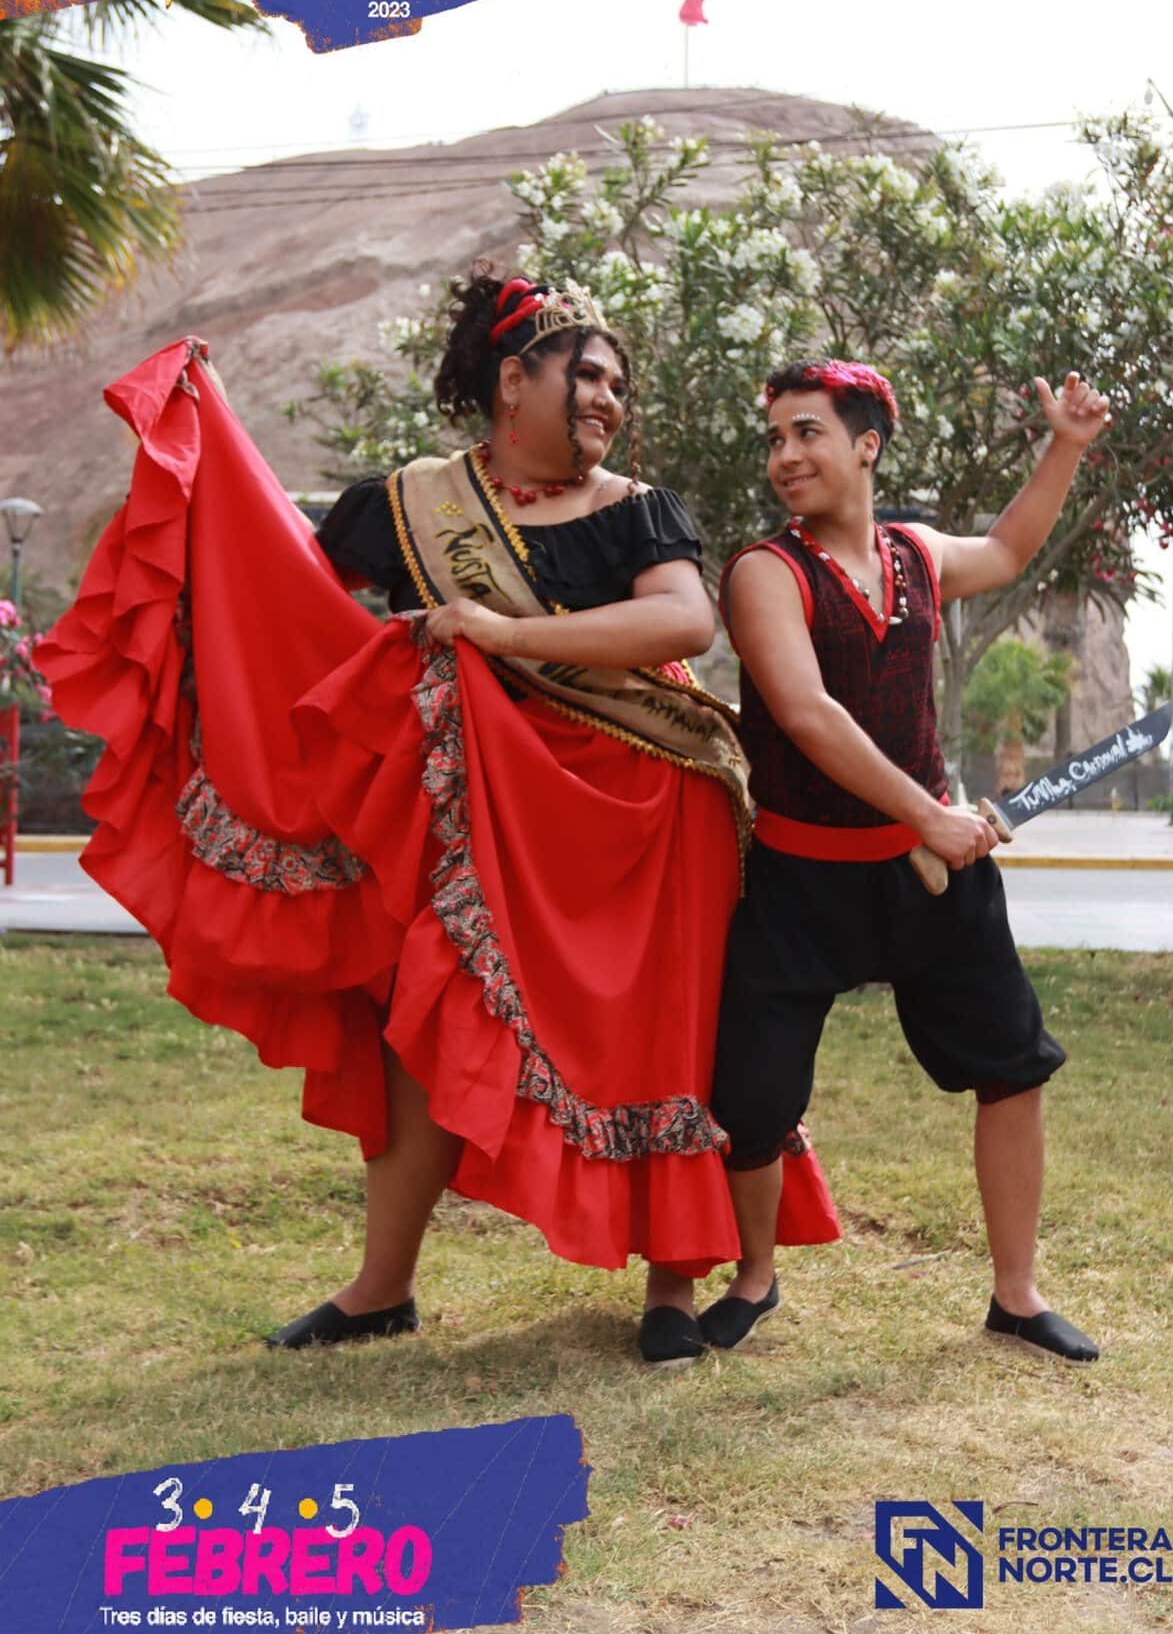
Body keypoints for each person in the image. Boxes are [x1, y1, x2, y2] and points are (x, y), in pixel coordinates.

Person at [37, 276, 839, 1370]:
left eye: (619, 384)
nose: (609, 399)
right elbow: (277, 582)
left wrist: (495, 634)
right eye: (587, 375)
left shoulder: (637, 507)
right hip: (476, 819)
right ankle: (383, 1287)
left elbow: (681, 619)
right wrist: (209, 441)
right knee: (418, 1025)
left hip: (651, 808)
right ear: (514, 381)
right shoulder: (409, 502)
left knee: (672, 1034)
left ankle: (672, 1283)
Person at [696, 358, 1107, 1361]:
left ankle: (1016, 1295)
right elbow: (807, 714)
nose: (785, 456)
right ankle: (756, 1276)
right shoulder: (763, 572)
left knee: (1013, 1066)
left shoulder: (916, 554)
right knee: (754, 1098)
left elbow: (1006, 549)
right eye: (776, 439)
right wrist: (932, 813)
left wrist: (1066, 446)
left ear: (866, 444)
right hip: (798, 877)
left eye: (808, 433)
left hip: (930, 876)